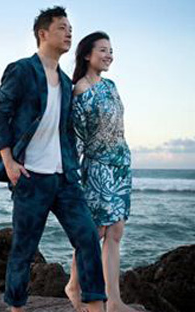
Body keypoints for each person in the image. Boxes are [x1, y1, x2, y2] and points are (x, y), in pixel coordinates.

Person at [0, 6, 107, 312]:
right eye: (62, 28)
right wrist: (9, 162)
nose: (69, 34)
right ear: (43, 34)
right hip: (31, 176)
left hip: (64, 178)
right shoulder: (22, 70)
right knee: (24, 250)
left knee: (88, 238)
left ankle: (96, 308)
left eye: (71, 29)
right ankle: (16, 308)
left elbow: (66, 130)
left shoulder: (67, 82)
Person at [65, 31, 135, 312]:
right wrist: (72, 172)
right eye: (103, 50)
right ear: (87, 54)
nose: (109, 55)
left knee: (116, 232)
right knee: (94, 232)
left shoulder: (111, 85)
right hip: (98, 167)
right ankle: (74, 285)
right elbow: (77, 137)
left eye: (111, 50)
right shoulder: (80, 90)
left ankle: (114, 300)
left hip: (121, 166)